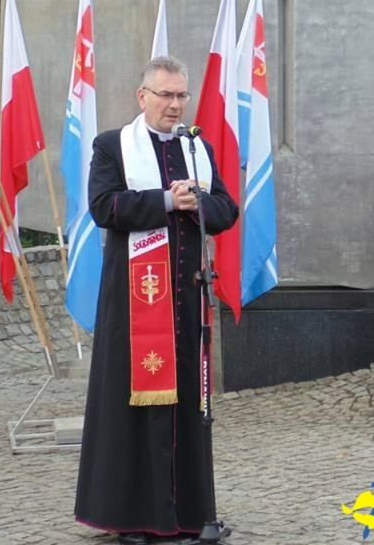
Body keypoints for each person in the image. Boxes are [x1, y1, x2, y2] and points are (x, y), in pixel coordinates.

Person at [74, 56, 239, 544]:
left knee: (188, 405)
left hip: (186, 301)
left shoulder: (197, 147)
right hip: (133, 301)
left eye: (181, 95)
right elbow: (104, 207)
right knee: (134, 404)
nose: (174, 104)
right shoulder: (112, 147)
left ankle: (188, 514)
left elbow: (226, 208)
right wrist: (168, 201)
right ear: (141, 95)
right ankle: (132, 517)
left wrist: (194, 202)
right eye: (165, 95)